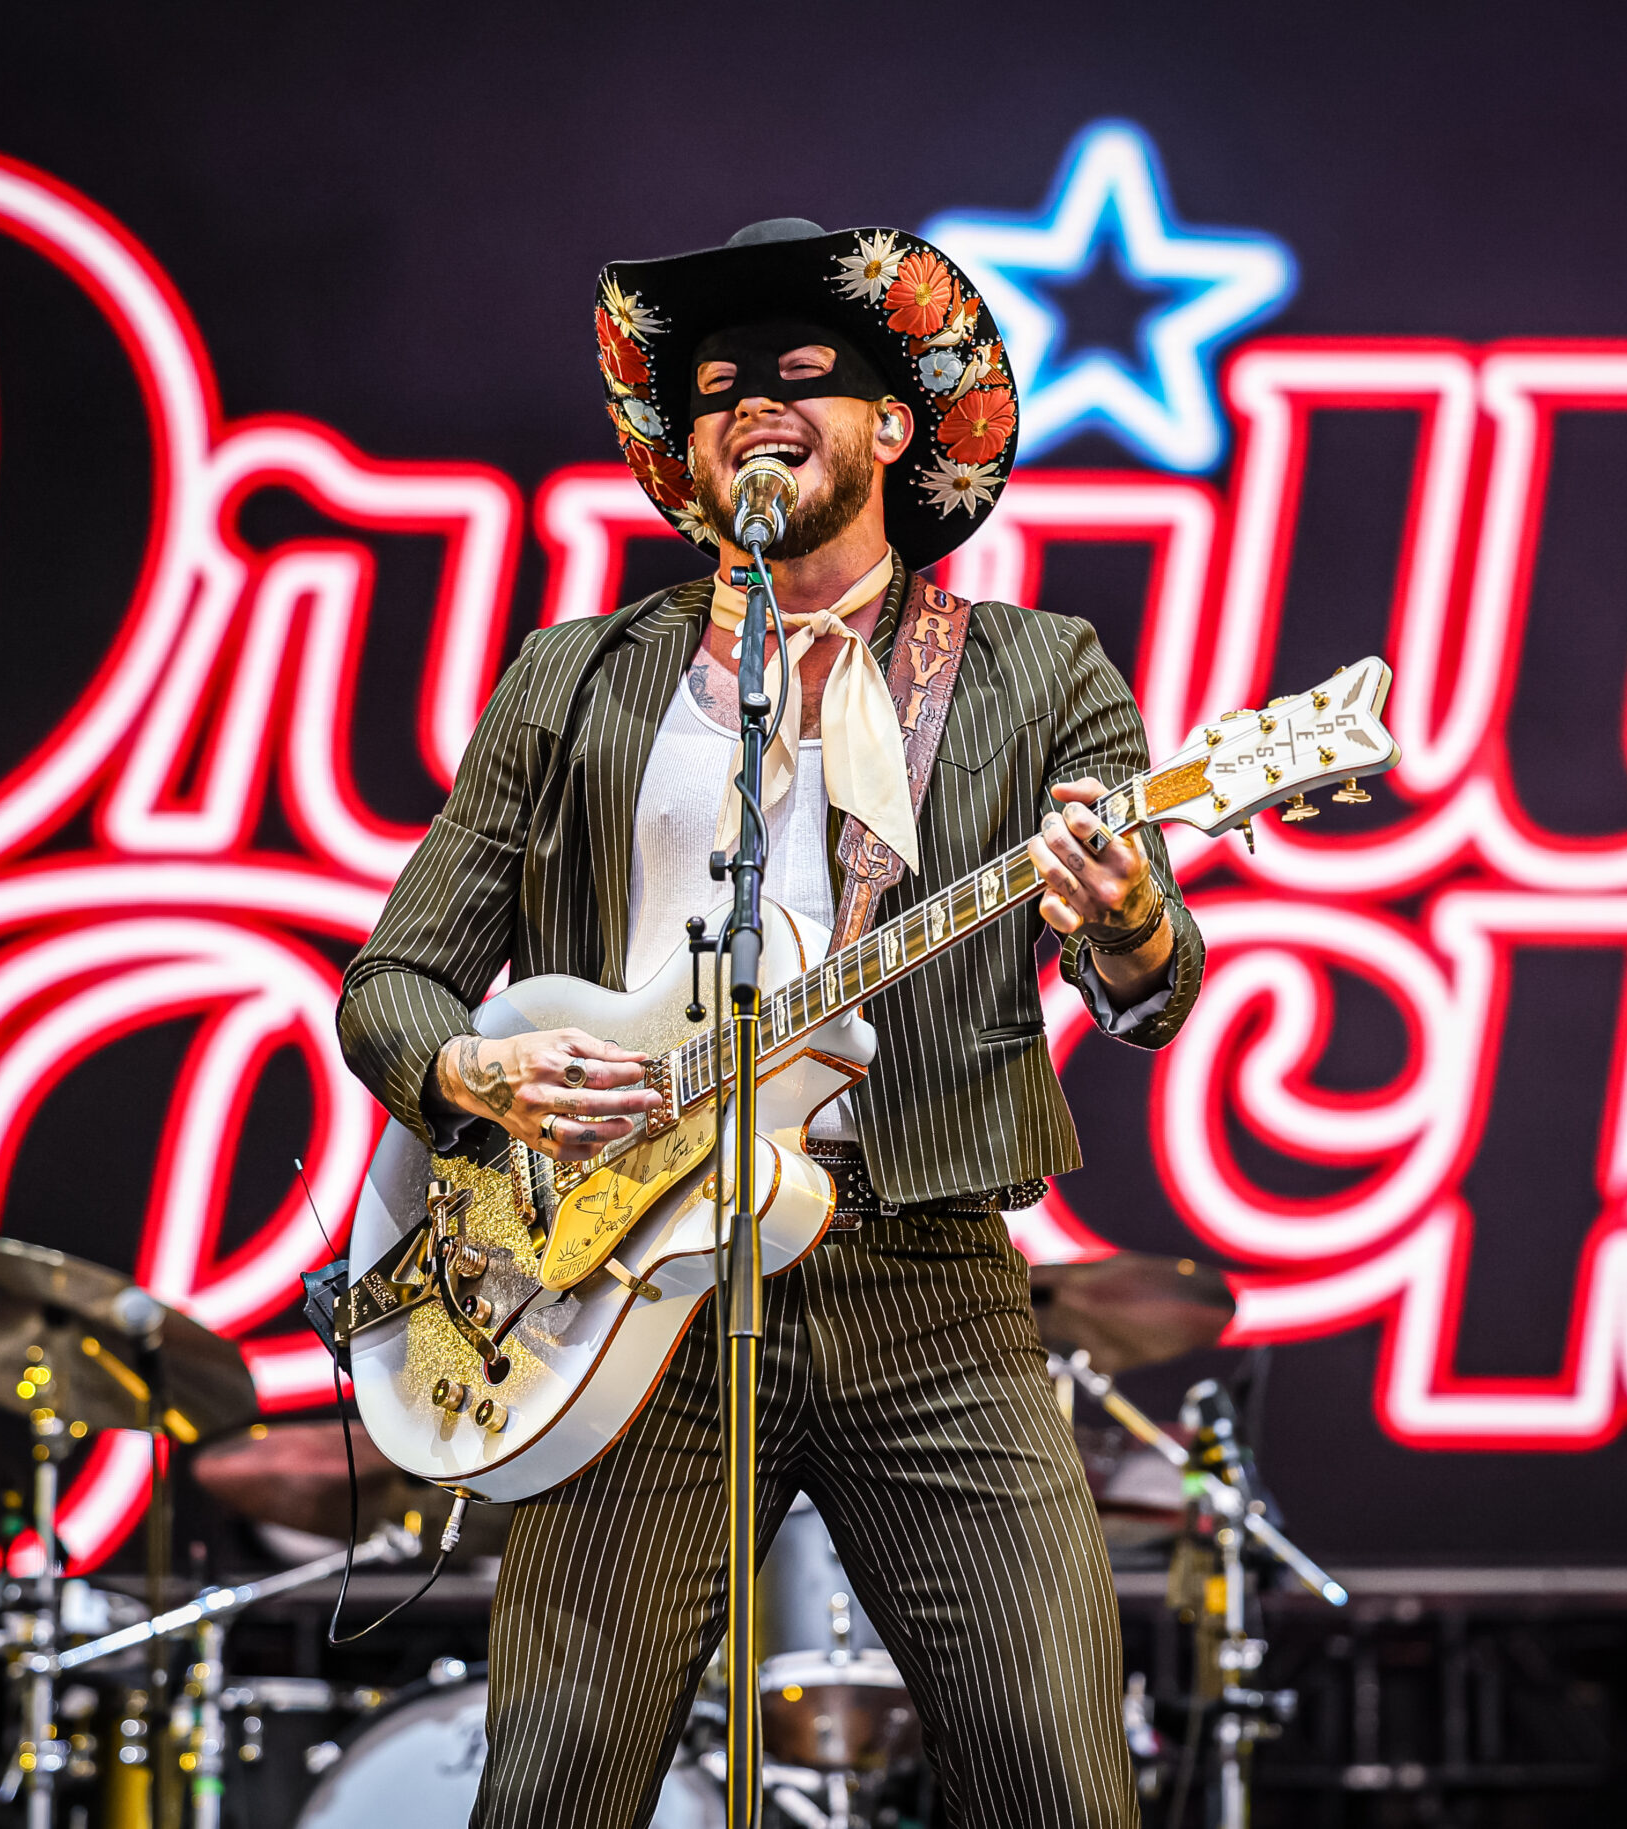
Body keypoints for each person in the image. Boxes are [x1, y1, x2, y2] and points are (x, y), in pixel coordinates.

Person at [337, 218, 1205, 1829]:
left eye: (809, 375)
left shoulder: (1034, 671)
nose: (755, 405)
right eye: (721, 387)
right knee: (547, 1796)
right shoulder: (576, 678)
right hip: (622, 1285)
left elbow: (1148, 986)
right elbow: (389, 981)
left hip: (925, 1286)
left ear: (897, 425)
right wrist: (478, 1071)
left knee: (1062, 1786)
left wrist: (1135, 919)